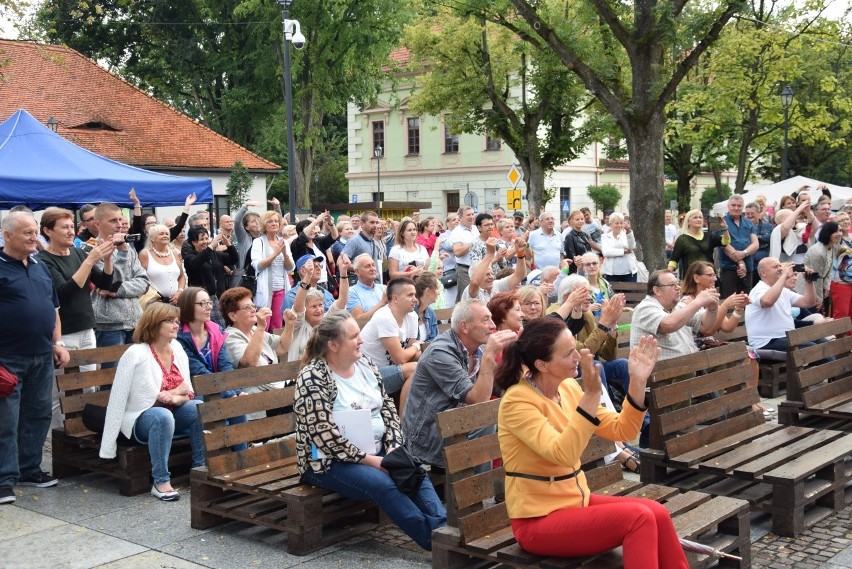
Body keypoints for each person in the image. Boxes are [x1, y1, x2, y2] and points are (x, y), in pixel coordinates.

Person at [494, 318, 687, 567]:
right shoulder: (517, 402)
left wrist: (638, 383)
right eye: (568, 353)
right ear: (542, 364)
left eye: (575, 347)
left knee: (657, 512)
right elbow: (561, 453)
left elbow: (623, 429)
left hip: (575, 502)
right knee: (639, 518)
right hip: (537, 520)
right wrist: (591, 396)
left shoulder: (568, 389)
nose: (578, 355)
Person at [294, 313, 447, 550]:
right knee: (383, 484)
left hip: (377, 450)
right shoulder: (313, 376)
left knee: (412, 469)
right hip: (327, 462)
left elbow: (386, 406)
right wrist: (372, 461)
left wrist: (394, 446)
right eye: (354, 336)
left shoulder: (364, 364)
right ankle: (436, 543)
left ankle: (443, 531)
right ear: (333, 345)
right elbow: (322, 434)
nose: (361, 341)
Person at [99, 303, 206, 502]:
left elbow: (188, 391)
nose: (176, 325)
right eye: (169, 321)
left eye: (176, 321)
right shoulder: (135, 353)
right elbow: (119, 397)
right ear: (154, 324)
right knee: (162, 416)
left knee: (198, 407)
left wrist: (173, 396)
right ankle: (161, 481)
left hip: (173, 410)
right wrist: (109, 443)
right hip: (141, 418)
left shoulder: (177, 348)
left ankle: (200, 470)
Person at [0, 212, 71, 504]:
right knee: (6, 420)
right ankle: (4, 478)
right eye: (27, 233)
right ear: (7, 236)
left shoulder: (40, 266)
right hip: (8, 356)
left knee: (39, 413)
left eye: (35, 232)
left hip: (42, 354)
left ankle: (29, 469)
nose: (34, 237)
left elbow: (53, 309)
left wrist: (58, 342)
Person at [402, 299, 517, 469]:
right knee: (486, 418)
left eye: (491, 319)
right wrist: (489, 357)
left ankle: (510, 483)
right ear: (464, 327)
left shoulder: (477, 349)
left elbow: (498, 388)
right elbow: (478, 401)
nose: (493, 325)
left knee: (514, 411)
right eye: (485, 320)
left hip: (456, 426)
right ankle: (480, 491)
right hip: (427, 440)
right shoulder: (440, 352)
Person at [38, 208, 115, 427]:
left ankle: (83, 432)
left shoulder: (79, 254)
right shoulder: (44, 260)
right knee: (62, 391)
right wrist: (90, 260)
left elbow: (104, 284)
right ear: (47, 230)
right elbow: (64, 292)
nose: (71, 231)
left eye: (72, 226)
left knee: (89, 387)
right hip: (64, 334)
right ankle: (60, 436)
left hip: (86, 329)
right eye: (64, 227)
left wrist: (107, 260)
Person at [90, 202, 151, 350]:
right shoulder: (90, 250)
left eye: (120, 219)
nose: (119, 225)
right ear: (97, 224)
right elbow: (109, 283)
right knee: (111, 372)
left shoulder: (128, 248)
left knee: (136, 371)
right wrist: (122, 254)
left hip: (135, 321)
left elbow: (144, 282)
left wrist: (119, 290)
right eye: (113, 220)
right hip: (109, 324)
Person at [359, 277, 421, 413]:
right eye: (410, 295)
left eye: (415, 295)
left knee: (424, 360)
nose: (415, 299)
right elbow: (401, 358)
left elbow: (412, 354)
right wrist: (417, 346)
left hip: (390, 370)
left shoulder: (412, 317)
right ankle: (403, 423)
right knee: (414, 369)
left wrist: (416, 349)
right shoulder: (384, 317)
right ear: (396, 298)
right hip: (367, 376)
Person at [630, 270, 720, 360]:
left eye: (678, 283)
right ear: (657, 290)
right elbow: (669, 324)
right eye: (672, 285)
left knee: (720, 360)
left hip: (688, 366)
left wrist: (712, 308)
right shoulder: (644, 308)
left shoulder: (678, 306)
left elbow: (704, 325)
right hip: (661, 371)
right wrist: (698, 302)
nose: (678, 288)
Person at [288, 255, 351, 363]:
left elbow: (342, 300)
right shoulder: (298, 324)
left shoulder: (325, 320)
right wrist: (308, 276)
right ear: (305, 309)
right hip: (299, 374)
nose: (319, 310)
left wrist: (343, 272)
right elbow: (298, 307)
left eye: (320, 305)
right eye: (313, 306)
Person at [746, 258, 817, 351]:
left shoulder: (783, 290)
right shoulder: (759, 289)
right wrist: (784, 276)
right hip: (766, 342)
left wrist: (809, 281)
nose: (780, 269)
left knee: (822, 341)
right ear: (763, 273)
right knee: (812, 348)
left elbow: (808, 302)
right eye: (775, 267)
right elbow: (767, 302)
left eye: (780, 266)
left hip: (786, 338)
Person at [250, 211, 295, 331]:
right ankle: (261, 348)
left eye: (276, 221)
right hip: (264, 289)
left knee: (277, 324)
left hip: (281, 288)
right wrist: (275, 253)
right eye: (270, 221)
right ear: (264, 224)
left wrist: (285, 253)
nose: (274, 223)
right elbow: (258, 266)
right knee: (264, 324)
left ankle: (275, 349)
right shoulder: (258, 242)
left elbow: (291, 268)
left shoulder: (283, 242)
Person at [463, 236, 528, 302]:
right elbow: (475, 282)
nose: (491, 277)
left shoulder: (495, 285)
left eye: (491, 273)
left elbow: (519, 276)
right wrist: (490, 253)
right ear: (474, 276)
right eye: (487, 274)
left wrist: (520, 253)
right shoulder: (470, 290)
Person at [668, 209, 730, 277]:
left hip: (708, 277)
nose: (698, 219)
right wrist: (668, 273)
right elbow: (674, 259)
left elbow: (725, 241)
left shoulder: (708, 236)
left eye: (700, 217)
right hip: (691, 278)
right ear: (688, 221)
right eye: (695, 217)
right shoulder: (682, 239)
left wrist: (725, 228)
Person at [718, 195, 758, 298]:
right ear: (728, 206)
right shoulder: (721, 222)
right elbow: (724, 244)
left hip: (748, 269)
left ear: (743, 207)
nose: (736, 208)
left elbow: (755, 243)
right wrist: (740, 262)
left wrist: (744, 253)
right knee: (729, 301)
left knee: (745, 301)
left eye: (739, 206)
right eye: (733, 205)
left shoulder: (748, 223)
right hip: (729, 269)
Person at [139, 224, 186, 304]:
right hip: (154, 303)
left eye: (167, 234)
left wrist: (179, 292)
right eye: (161, 234)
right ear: (152, 238)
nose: (165, 236)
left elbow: (181, 276)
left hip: (176, 302)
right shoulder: (145, 254)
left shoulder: (175, 253)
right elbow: (140, 278)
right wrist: (151, 296)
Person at [804, 221, 841, 313]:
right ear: (828, 233)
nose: (839, 234)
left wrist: (827, 286)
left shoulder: (834, 247)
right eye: (836, 231)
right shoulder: (818, 252)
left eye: (840, 231)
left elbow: (830, 268)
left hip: (819, 285)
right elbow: (816, 277)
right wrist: (819, 300)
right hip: (807, 287)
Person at [341, 211, 384, 284]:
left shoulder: (374, 241)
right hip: (359, 285)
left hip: (374, 284)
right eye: (372, 222)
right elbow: (342, 263)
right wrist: (359, 268)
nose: (375, 225)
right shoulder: (354, 241)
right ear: (362, 224)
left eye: (376, 222)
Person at [346, 253, 388, 319]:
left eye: (373, 265)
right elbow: (358, 319)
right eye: (367, 266)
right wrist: (382, 303)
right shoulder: (351, 292)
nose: (372, 269)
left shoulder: (384, 288)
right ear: (357, 271)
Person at [448, 206, 476, 302]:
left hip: (477, 268)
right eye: (468, 215)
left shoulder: (476, 229)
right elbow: (458, 252)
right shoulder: (456, 232)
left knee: (477, 296)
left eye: (472, 214)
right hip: (465, 270)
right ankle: (458, 316)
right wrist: (473, 243)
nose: (471, 217)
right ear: (460, 217)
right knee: (465, 298)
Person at [600, 212, 638, 282]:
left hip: (629, 273)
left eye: (621, 223)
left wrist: (629, 232)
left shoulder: (626, 234)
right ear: (611, 224)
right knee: (612, 292)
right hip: (612, 274)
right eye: (617, 223)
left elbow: (632, 247)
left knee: (630, 292)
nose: (619, 225)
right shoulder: (605, 236)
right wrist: (623, 251)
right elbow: (606, 252)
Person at [745, 201, 773, 288]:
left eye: (752, 213)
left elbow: (767, 238)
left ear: (759, 212)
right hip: (748, 265)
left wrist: (753, 238)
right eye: (747, 213)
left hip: (763, 266)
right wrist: (759, 238)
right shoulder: (743, 227)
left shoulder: (767, 226)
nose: (749, 215)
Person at [414, 272, 441, 343]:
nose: (438, 293)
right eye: (437, 288)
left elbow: (435, 340)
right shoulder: (410, 312)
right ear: (428, 291)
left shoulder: (430, 312)